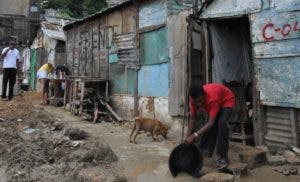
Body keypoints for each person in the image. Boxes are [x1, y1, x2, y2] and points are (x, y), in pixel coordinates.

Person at [185, 83, 235, 169]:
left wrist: (194, 135)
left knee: (222, 123)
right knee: (212, 126)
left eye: (201, 101)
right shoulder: (192, 99)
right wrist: (187, 137)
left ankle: (222, 157)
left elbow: (211, 122)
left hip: (227, 100)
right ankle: (203, 152)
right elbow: (193, 118)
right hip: (216, 100)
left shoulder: (213, 98)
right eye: (196, 102)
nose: (199, 104)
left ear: (204, 95)